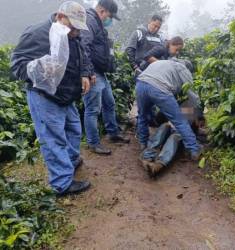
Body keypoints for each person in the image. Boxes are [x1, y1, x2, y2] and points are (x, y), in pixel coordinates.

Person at [11, 1, 92, 195]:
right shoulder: (37, 33)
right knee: (53, 138)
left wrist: (84, 73)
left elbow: (81, 53)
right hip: (45, 96)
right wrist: (38, 69)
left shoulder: (71, 33)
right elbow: (17, 66)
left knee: (74, 129)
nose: (76, 33)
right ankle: (62, 183)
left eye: (78, 29)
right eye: (73, 27)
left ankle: (71, 161)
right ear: (59, 16)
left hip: (66, 95)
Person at [81, 0, 130, 156]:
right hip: (93, 73)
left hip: (100, 72)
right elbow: (84, 47)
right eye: (109, 16)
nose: (109, 20)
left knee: (109, 103)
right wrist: (88, 73)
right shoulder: (89, 20)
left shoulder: (98, 23)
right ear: (101, 11)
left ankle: (112, 133)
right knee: (93, 109)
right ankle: (93, 143)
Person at [135, 59, 202, 162]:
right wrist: (197, 111)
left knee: (142, 116)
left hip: (140, 85)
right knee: (180, 121)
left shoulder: (163, 62)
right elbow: (192, 95)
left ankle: (143, 144)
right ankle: (194, 150)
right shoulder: (183, 69)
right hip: (159, 88)